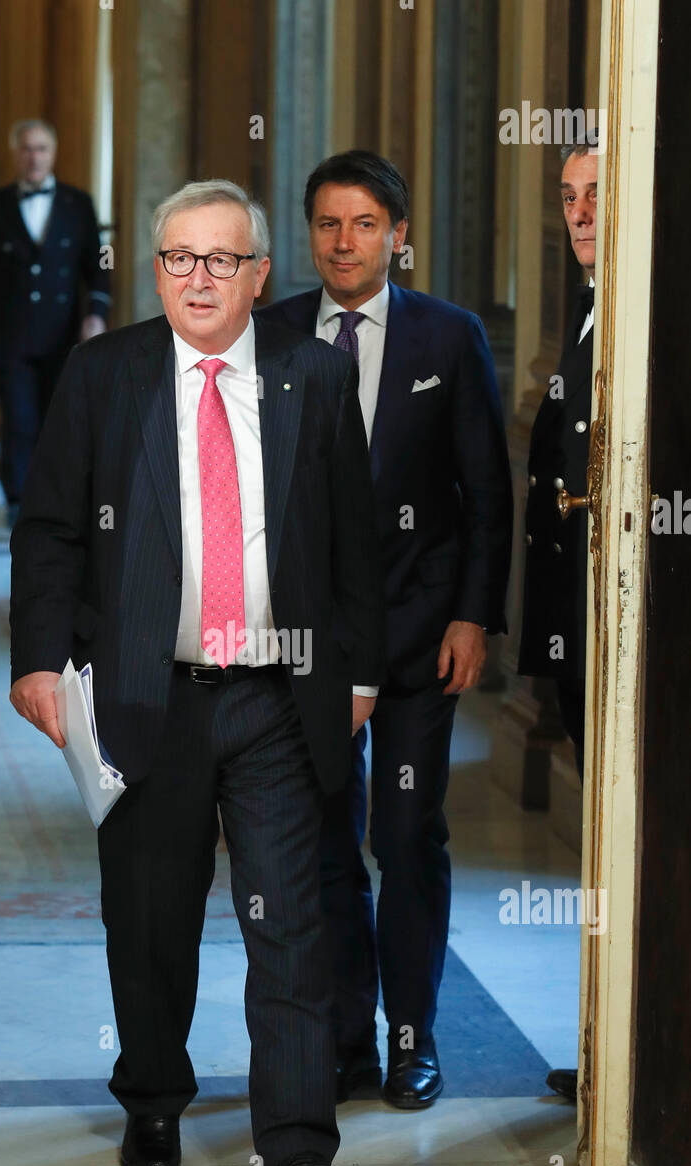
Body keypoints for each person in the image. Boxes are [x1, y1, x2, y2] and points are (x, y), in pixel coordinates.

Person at [8, 180, 385, 1166]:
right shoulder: (105, 375)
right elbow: (50, 533)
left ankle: (301, 1147)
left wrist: (354, 677)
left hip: (276, 698)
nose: (200, 279)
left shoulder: (313, 375)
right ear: (157, 269)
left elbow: (354, 547)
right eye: (180, 258)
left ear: (259, 275)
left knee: (291, 921)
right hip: (146, 697)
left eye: (223, 260)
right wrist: (40, 660)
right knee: (151, 916)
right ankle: (155, 1099)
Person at [260, 150, 512, 1109]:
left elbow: (485, 493)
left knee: (406, 838)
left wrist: (472, 615)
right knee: (322, 846)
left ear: (398, 236)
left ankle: (414, 1039)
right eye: (328, 223)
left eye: (365, 224)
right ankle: (343, 1040)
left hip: (417, 641)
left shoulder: (449, 338)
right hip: (308, 648)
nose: (345, 242)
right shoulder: (275, 331)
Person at [518, 129, 599, 1103]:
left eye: (594, 194)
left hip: (621, 631)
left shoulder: (643, 318)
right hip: (574, 625)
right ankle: (606, 1044)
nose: (576, 213)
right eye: (567, 194)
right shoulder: (584, 313)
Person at [0, 119, 111, 523]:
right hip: (9, 337)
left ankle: (56, 506)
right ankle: (17, 503)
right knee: (19, 422)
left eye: (41, 148)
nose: (34, 157)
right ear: (15, 154)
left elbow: (97, 267)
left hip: (63, 337)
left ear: (53, 152)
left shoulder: (79, 205)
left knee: (58, 422)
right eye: (26, 148)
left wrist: (96, 314)